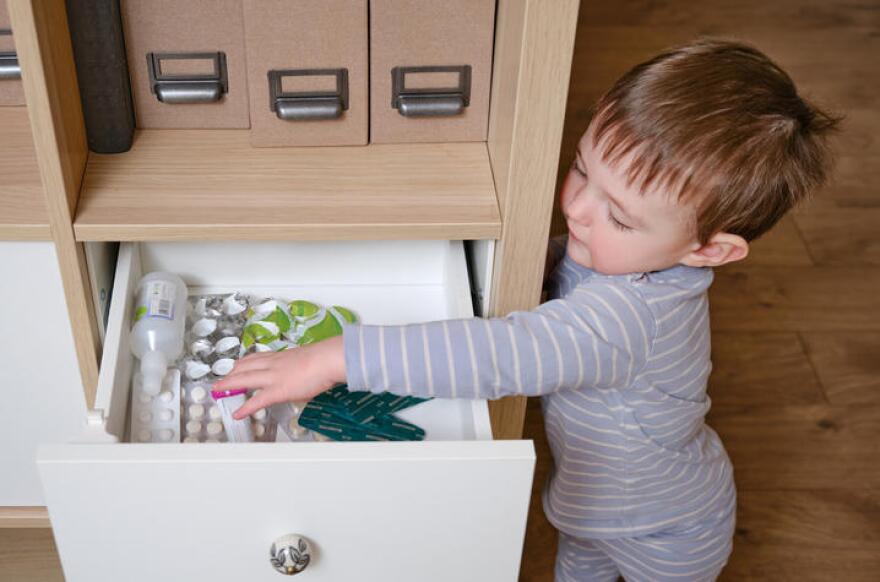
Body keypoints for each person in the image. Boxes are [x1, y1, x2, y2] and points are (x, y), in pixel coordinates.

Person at [214, 39, 840, 581]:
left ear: (709, 250)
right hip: (590, 503)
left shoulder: (626, 323)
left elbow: (494, 355)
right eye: (582, 170)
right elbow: (570, 263)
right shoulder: (632, 257)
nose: (579, 210)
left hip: (666, 528)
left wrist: (334, 358)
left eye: (620, 217)